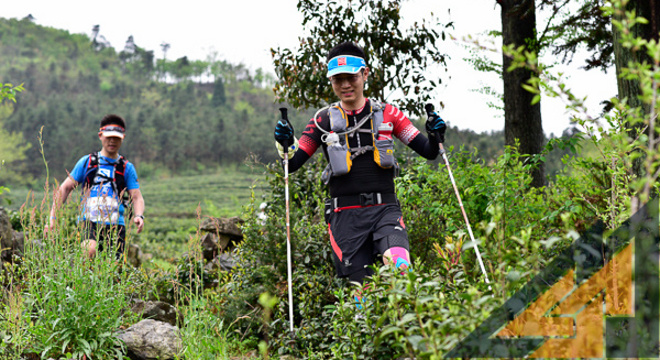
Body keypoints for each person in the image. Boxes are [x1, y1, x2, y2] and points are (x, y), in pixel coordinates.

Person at [274, 41, 446, 285]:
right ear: (331, 81)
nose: (345, 84)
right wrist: (284, 141)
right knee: (360, 295)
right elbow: (291, 163)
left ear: (365, 74)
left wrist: (435, 133)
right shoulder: (322, 120)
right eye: (338, 79)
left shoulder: (389, 114)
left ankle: (410, 322)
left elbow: (428, 151)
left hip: (385, 210)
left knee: (400, 268)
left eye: (351, 77)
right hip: (344, 217)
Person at [45, 114, 145, 259]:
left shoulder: (127, 167)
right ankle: (83, 282)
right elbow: (64, 188)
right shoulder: (87, 162)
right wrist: (52, 218)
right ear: (100, 135)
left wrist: (138, 215)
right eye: (108, 137)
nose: (112, 141)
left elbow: (137, 197)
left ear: (122, 138)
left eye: (116, 138)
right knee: (89, 251)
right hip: (89, 221)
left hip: (116, 224)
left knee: (113, 267)